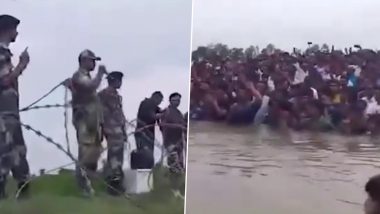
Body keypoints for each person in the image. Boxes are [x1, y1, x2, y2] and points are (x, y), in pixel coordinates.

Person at [68, 49, 107, 197]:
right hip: (84, 120)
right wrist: (101, 74)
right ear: (84, 61)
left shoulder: (89, 77)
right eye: (92, 60)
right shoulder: (78, 76)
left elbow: (96, 103)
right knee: (85, 152)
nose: (94, 64)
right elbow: (90, 87)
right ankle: (83, 187)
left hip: (93, 121)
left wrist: (101, 124)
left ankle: (90, 185)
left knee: (94, 154)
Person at [0, 14, 30, 199]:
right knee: (4, 149)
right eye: (14, 29)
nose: (16, 33)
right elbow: (4, 81)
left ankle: (23, 188)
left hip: (11, 112)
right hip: (3, 113)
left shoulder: (5, 54)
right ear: (5, 30)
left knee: (18, 149)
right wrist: (22, 66)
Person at [98, 71, 127, 195]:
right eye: (119, 80)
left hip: (118, 130)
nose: (120, 83)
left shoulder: (116, 95)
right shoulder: (104, 95)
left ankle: (116, 185)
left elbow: (120, 114)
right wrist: (101, 129)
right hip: (111, 129)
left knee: (118, 158)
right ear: (114, 80)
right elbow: (100, 114)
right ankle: (113, 187)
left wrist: (124, 130)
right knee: (114, 158)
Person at [134, 91, 163, 168]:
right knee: (144, 155)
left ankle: (148, 172)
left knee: (149, 156)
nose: (159, 103)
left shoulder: (154, 107)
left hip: (148, 134)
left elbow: (160, 120)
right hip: (142, 133)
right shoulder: (146, 103)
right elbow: (152, 116)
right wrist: (162, 115)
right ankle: (143, 174)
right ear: (155, 97)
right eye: (159, 101)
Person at [161, 92, 186, 173]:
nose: (178, 102)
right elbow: (163, 125)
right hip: (170, 141)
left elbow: (183, 125)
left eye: (179, 100)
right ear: (170, 101)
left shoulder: (179, 113)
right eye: (175, 100)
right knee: (174, 165)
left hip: (179, 142)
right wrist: (177, 126)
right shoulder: (166, 111)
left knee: (181, 164)